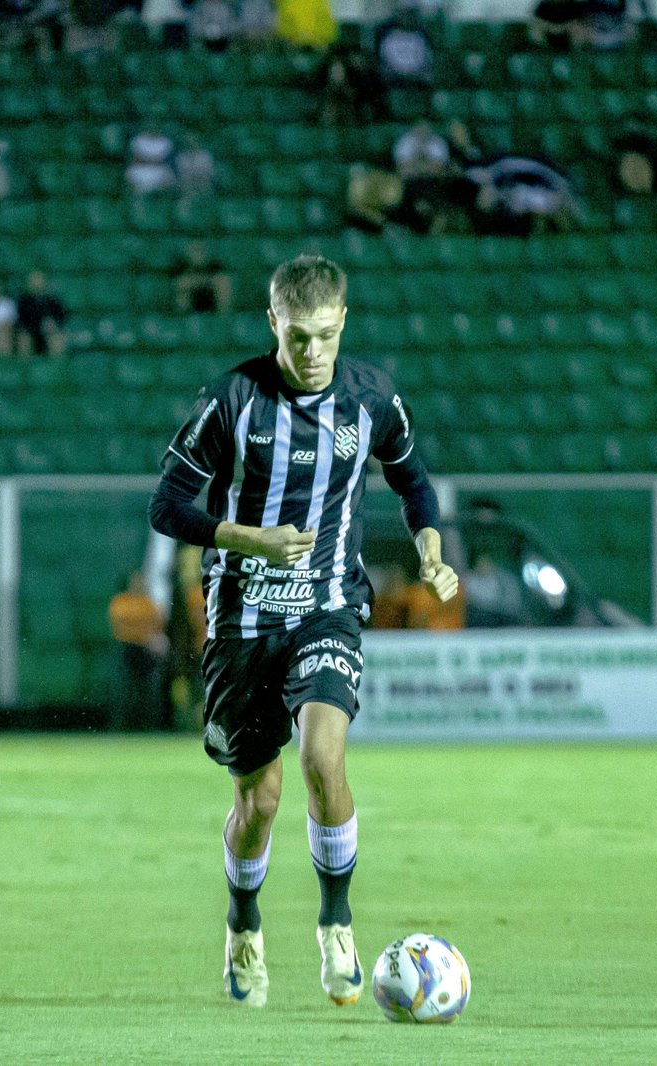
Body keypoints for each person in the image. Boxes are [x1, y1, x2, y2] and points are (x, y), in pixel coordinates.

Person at [147, 254, 460, 1010]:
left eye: (324, 335)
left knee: (324, 756)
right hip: (242, 618)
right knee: (259, 801)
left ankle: (336, 924)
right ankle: (243, 925)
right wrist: (248, 539)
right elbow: (167, 505)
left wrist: (430, 550)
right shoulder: (232, 400)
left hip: (328, 605)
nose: (312, 352)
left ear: (343, 321)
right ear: (273, 324)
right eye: (297, 337)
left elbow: (413, 481)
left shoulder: (371, 398)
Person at [108, 569, 168, 731]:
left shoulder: (148, 604)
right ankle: (122, 725)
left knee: (148, 688)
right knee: (124, 688)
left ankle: (149, 725)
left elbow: (157, 627)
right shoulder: (120, 602)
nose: (139, 585)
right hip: (127, 648)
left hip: (145, 650)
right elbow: (123, 628)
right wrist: (143, 634)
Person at [172, 240, 233, 314]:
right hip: (189, 316)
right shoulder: (182, 280)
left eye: (202, 250)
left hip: (217, 315)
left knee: (223, 282)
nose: (198, 255)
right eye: (195, 250)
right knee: (183, 283)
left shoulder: (220, 279)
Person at [16, 270, 68, 357]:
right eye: (34, 279)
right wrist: (40, 326)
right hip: (31, 332)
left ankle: (57, 364)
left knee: (57, 339)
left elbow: (61, 318)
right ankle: (24, 364)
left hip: (50, 333)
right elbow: (22, 321)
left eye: (39, 279)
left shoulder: (54, 300)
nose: (36, 282)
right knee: (24, 339)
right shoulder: (23, 301)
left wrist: (54, 325)